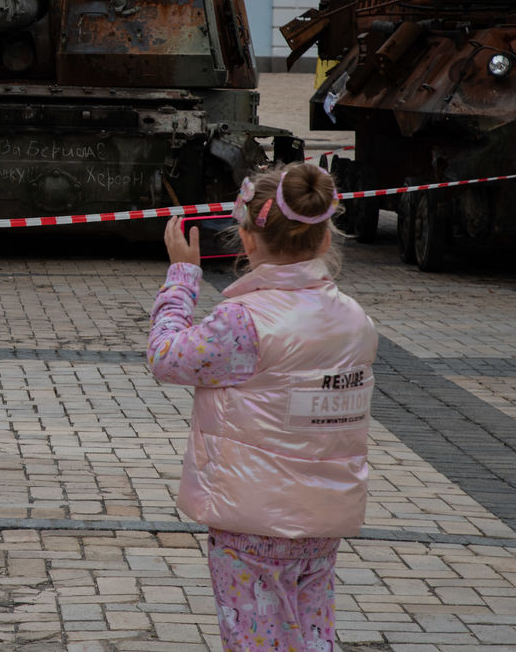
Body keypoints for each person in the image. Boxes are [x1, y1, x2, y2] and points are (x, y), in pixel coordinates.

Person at [148, 163, 376, 652]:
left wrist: (182, 279)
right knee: (310, 635)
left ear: (248, 239)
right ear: (325, 238)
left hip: (251, 521)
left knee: (254, 640)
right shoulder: (355, 319)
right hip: (324, 516)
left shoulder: (244, 321)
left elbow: (167, 357)